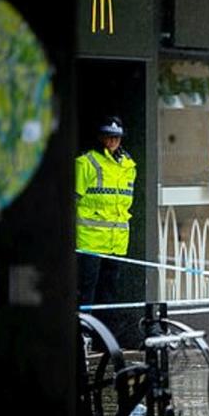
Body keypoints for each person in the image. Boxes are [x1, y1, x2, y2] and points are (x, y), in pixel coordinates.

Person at [75, 116, 136, 308]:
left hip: (116, 243)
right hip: (89, 242)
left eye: (116, 138)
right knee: (86, 294)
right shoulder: (86, 163)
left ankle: (104, 336)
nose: (112, 142)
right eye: (108, 137)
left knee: (109, 296)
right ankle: (83, 336)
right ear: (100, 138)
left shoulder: (128, 166)